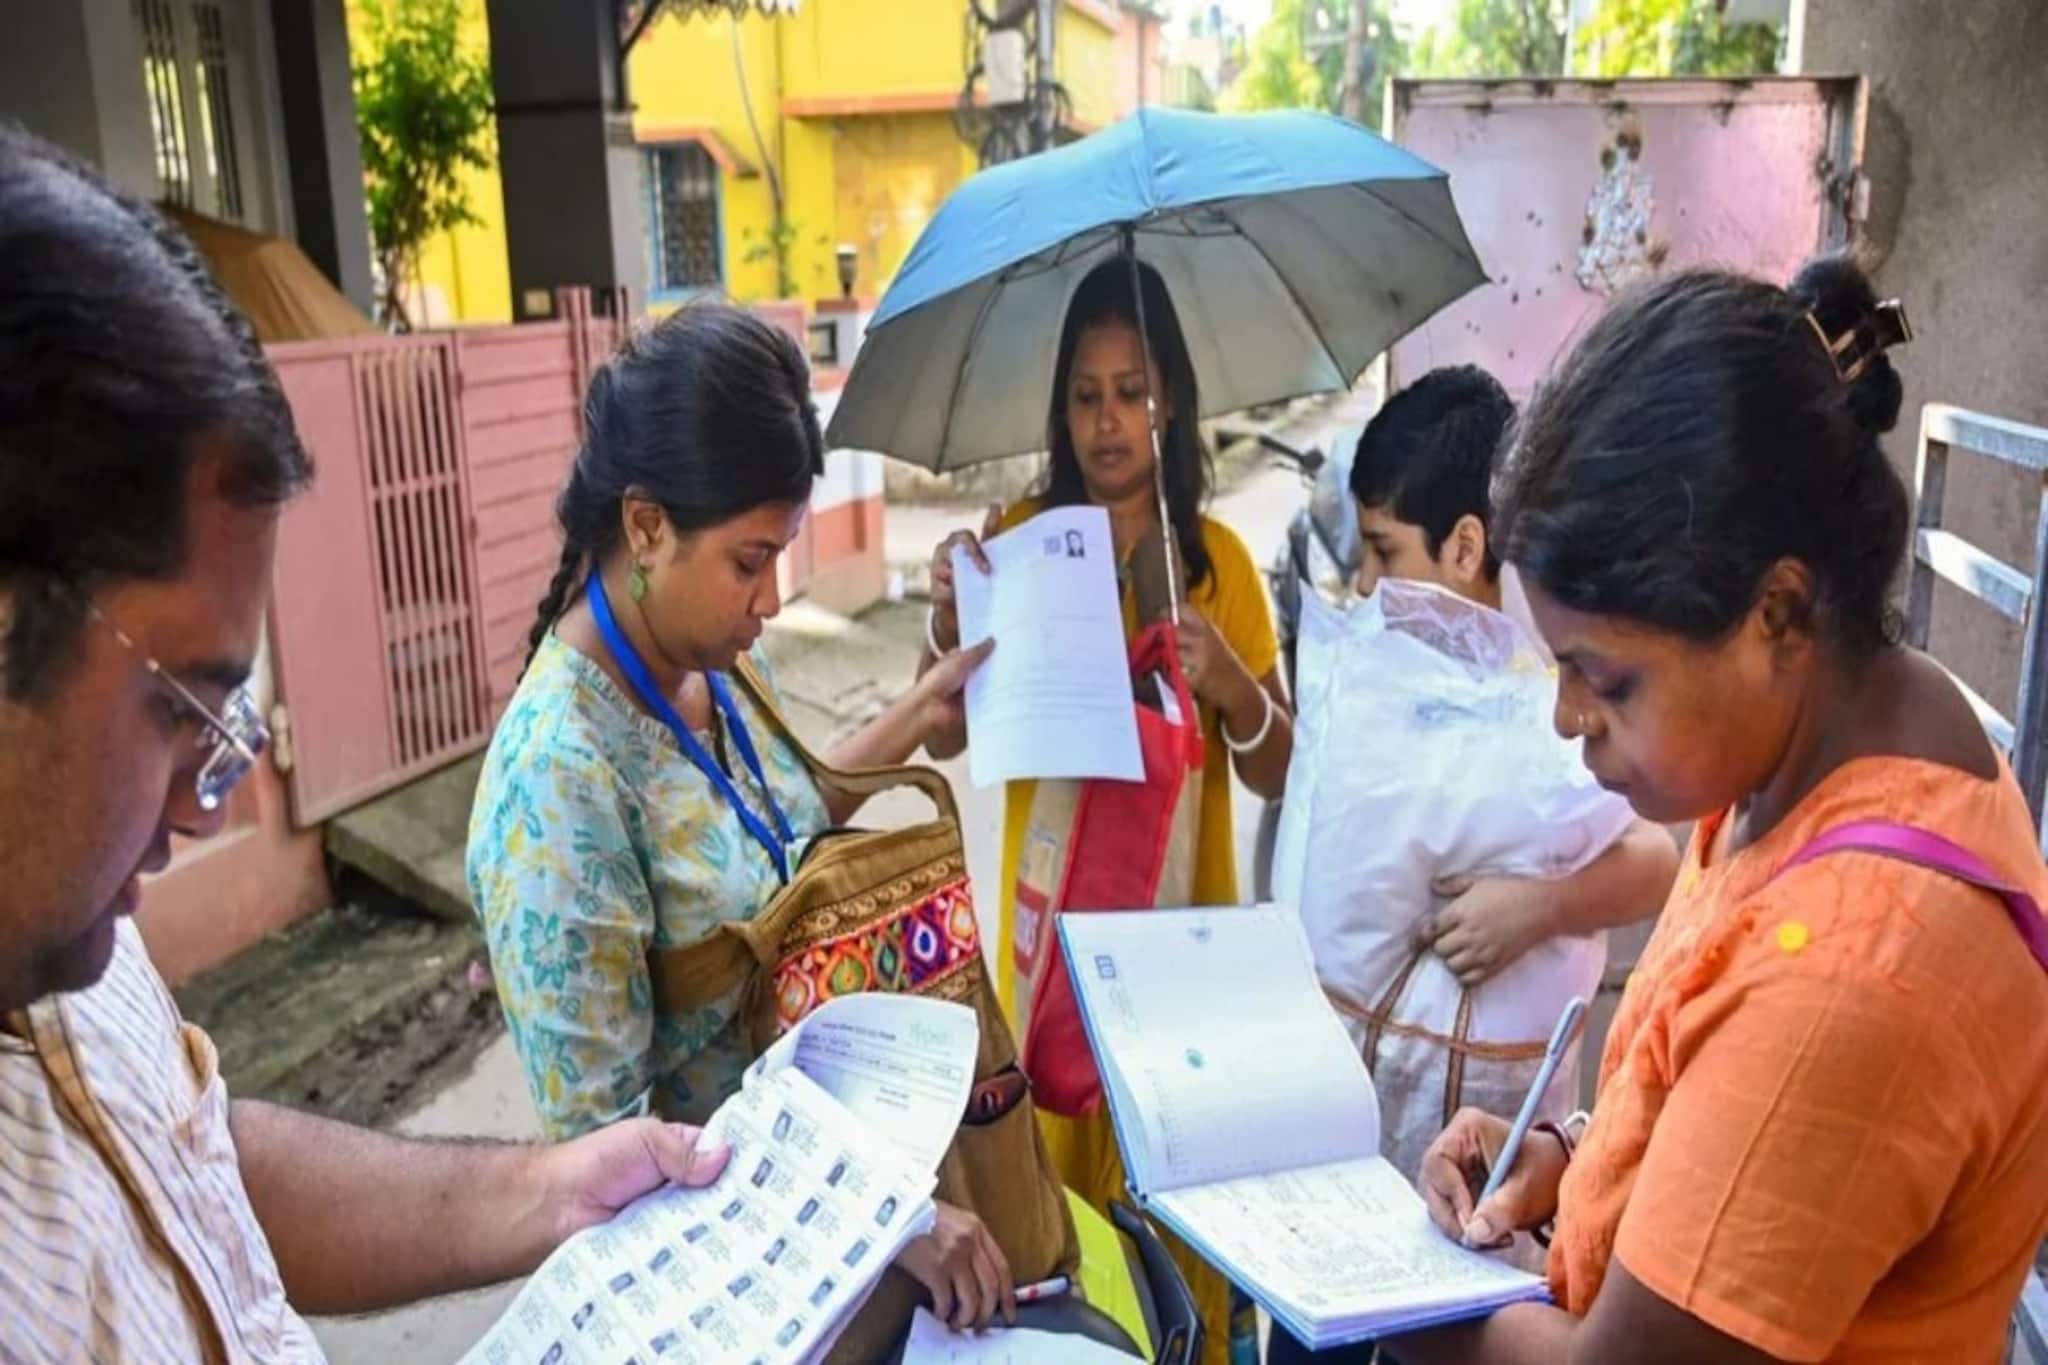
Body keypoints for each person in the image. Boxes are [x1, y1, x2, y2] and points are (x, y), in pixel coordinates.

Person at [0, 121, 733, 1359]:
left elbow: (191, 1151)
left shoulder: (67, 938)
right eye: (180, 708)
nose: (209, 801)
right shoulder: (561, 760)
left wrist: (553, 1189)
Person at [1389, 259, 2048, 1364]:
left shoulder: (1854, 975)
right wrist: (1574, 1153)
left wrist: (1414, 1318)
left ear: (1776, 611)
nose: (1565, 719)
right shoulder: (1821, 750)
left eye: (1605, 678)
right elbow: (1750, 1127)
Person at [465, 301, 1017, 1330]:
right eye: (748, 562)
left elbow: (777, 812)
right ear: (644, 525)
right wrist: (883, 1220)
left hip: (837, 1221)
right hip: (739, 1300)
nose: (768, 600)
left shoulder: (703, 666)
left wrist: (914, 711)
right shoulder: (556, 789)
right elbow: (612, 1164)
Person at [1267, 366, 1680, 1365]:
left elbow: (1656, 857)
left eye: (1382, 553)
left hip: (1483, 1175)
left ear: (1463, 547)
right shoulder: (1365, 683)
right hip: (1329, 1157)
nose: (1365, 588)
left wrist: (1537, 907)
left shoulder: (1547, 701)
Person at [923, 257, 1293, 1365]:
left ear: (1168, 399)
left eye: (1130, 391)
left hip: (1183, 953)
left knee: (1177, 1209)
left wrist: (1231, 683)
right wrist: (951, 619)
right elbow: (944, 734)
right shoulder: (1026, 542)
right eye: (1085, 396)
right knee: (1053, 1231)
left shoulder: (1217, 563)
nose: (1108, 420)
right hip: (1050, 969)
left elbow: (1274, 771)